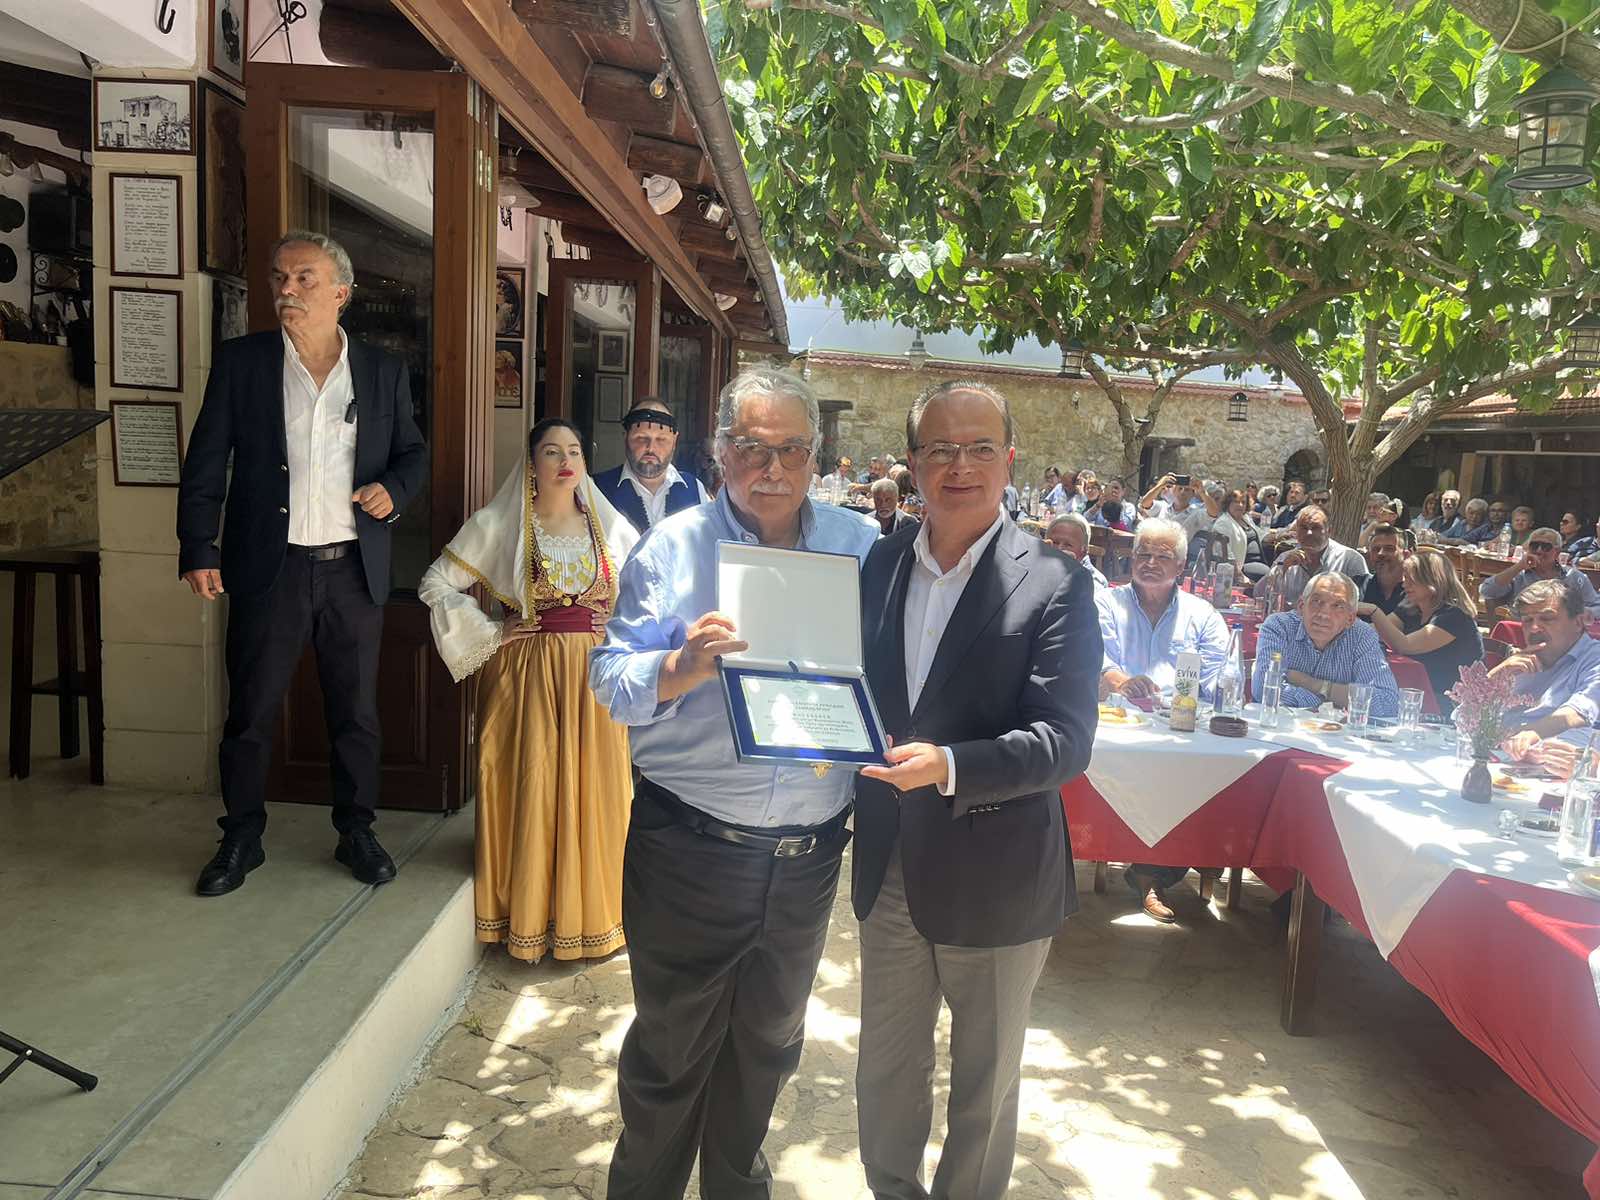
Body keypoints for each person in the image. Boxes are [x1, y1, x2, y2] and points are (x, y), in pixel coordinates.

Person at [591, 368, 877, 1199]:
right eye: (752, 447)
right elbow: (609, 679)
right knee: (670, 1052)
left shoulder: (862, 549)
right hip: (691, 848)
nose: (773, 468)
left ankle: (735, 1186)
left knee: (769, 1044)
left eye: (792, 449)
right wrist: (679, 667)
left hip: (809, 855)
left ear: (816, 456)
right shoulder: (673, 548)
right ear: (720, 451)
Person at [852, 379, 1099, 1200]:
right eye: (941, 450)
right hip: (891, 865)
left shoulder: (1057, 580)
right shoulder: (881, 561)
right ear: (913, 462)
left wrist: (950, 766)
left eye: (980, 448)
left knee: (985, 1087)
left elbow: (1064, 741)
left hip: (1000, 876)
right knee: (885, 1074)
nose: (960, 466)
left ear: (1010, 460)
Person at [178, 230, 428, 897]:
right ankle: (241, 835)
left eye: (303, 279)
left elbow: (412, 453)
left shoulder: (381, 371)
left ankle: (356, 830)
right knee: (251, 711)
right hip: (271, 568)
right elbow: (206, 459)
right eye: (279, 278)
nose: (286, 290)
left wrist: (395, 491)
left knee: (356, 713)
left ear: (340, 292)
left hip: (353, 571)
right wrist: (198, 546)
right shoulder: (244, 364)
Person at [420, 419, 636, 962]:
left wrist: (617, 628)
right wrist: (491, 631)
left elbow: (646, 589)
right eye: (552, 451)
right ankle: (530, 920)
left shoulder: (607, 525)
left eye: (575, 451)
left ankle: (595, 918)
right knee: (535, 786)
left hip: (592, 678)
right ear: (532, 463)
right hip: (528, 673)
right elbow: (435, 582)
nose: (566, 461)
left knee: (595, 790)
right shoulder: (500, 523)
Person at [1096, 518, 1231, 924]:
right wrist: (1122, 682)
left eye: (1162, 556)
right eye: (1143, 554)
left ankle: (1161, 868)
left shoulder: (1202, 614)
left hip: (1182, 727)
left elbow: (1217, 675)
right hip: (1118, 725)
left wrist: (1181, 704)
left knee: (1207, 774)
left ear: (1181, 566)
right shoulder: (1106, 603)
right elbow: (1095, 658)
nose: (1150, 563)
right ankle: (1151, 872)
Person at [1251, 572, 1400, 716]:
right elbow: (1265, 690)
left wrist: (1315, 685)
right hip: (1280, 725)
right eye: (1317, 602)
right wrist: (1331, 706)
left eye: (1338, 606)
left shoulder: (1362, 636)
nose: (1324, 614)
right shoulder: (1279, 626)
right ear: (1301, 606)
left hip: (1336, 731)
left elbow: (1387, 703)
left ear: (1350, 619)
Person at [1360, 548, 1482, 716]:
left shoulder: (1454, 616)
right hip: (1413, 694)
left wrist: (1373, 611)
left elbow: (1405, 645)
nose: (1405, 584)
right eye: (1405, 578)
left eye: (1412, 580)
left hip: (1449, 704)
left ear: (1433, 581)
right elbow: (1376, 630)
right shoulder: (1411, 606)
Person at [1494, 579, 1600, 751]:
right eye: (1527, 620)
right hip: (1496, 752)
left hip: (1556, 760)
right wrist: (1496, 675)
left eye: (1547, 618)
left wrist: (1526, 735)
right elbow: (1460, 716)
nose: (1534, 628)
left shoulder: (1594, 659)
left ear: (1578, 623)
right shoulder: (1520, 662)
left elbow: (1578, 712)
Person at [591, 398, 709, 534]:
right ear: (625, 437)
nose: (651, 448)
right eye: (641, 438)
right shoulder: (597, 489)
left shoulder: (695, 488)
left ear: (674, 441)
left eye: (661, 439)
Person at [1252, 505, 1369, 605]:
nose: (1309, 533)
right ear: (1296, 532)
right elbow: (1258, 594)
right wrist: (1281, 570)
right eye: (1303, 528)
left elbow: (1361, 605)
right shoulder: (1285, 558)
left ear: (1329, 531)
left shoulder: (1350, 560)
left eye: (1315, 527)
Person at [1479, 526, 1600, 619]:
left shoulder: (1573, 577)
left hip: (1562, 635)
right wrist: (1518, 567)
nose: (1539, 551)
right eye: (1534, 546)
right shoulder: (1519, 575)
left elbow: (1596, 606)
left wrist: (1578, 614)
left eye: (1545, 547)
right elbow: (1486, 591)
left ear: (1557, 552)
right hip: (1523, 632)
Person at [1359, 524, 1411, 621]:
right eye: (1376, 549)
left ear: (1406, 555)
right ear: (1370, 555)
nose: (1381, 553)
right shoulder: (1357, 586)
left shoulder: (1414, 592)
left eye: (1389, 549)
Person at [1046, 511, 1107, 587]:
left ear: (1083, 551)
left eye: (1068, 545)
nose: (1059, 548)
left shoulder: (1093, 582)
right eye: (1055, 542)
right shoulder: (1038, 569)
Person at [1210, 489, 1253, 571]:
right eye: (1236, 502)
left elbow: (1260, 533)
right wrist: (1240, 575)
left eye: (1243, 502)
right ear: (1228, 504)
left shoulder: (1245, 518)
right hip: (1232, 570)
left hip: (1246, 563)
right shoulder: (1223, 523)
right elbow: (1226, 555)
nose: (1240, 505)